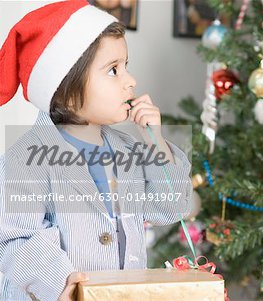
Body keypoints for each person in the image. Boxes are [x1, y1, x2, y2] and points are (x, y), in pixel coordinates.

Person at [0, 1, 193, 300]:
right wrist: (61, 283)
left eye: (126, 66)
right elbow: (15, 237)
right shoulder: (25, 159)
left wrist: (155, 142)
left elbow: (170, 208)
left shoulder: (128, 150)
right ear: (64, 89)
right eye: (114, 70)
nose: (131, 81)